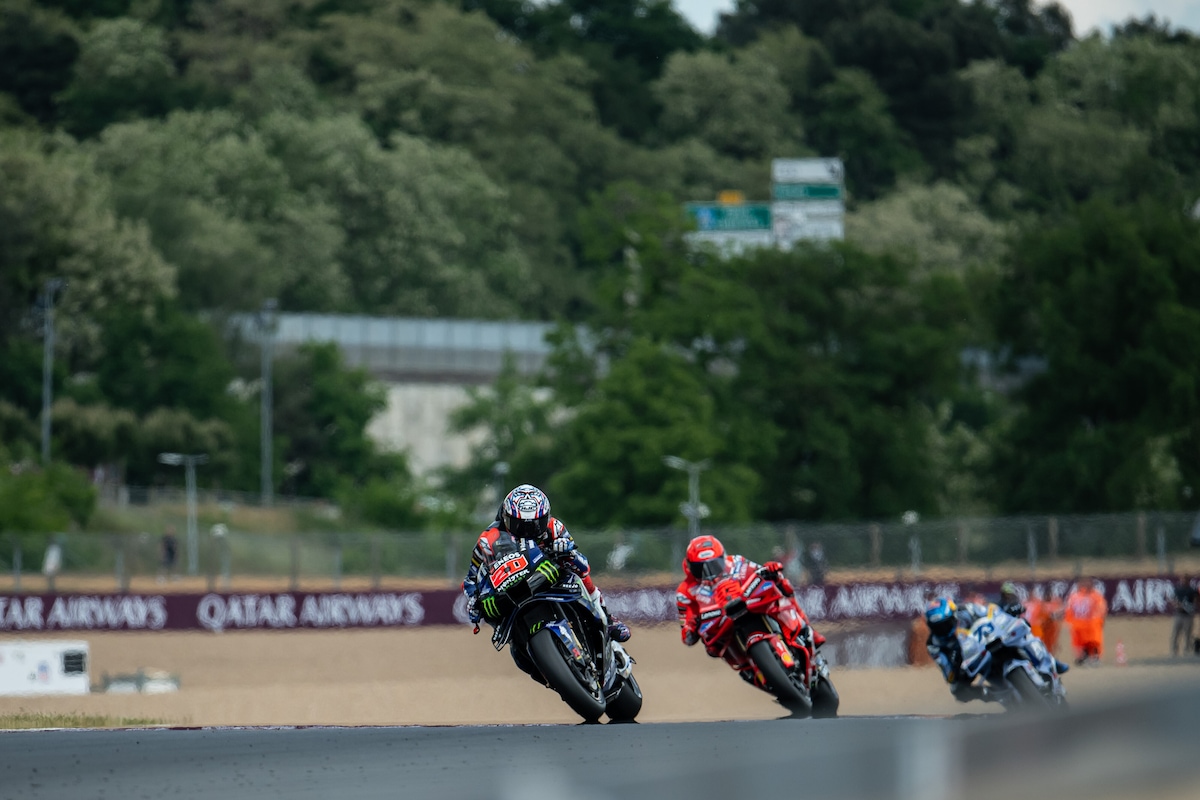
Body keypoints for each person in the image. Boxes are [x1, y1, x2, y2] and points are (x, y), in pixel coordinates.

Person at [462, 484, 630, 645]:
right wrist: (473, 598)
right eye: (520, 525)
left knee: (580, 569)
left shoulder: (555, 527)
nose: (527, 531)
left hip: (549, 572)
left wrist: (565, 548)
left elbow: (582, 562)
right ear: (506, 518)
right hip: (512, 588)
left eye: (536, 524)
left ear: (546, 517)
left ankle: (607, 617)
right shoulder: (487, 540)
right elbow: (472, 577)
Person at [675, 535, 826, 684]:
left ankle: (807, 631)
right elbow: (686, 630)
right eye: (700, 568)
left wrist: (769, 570)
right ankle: (749, 669)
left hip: (748, 601)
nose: (709, 573)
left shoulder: (736, 562)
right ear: (689, 566)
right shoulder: (685, 591)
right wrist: (691, 627)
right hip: (721, 621)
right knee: (713, 648)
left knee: (782, 586)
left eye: (714, 565)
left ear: (723, 557)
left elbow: (757, 571)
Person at [924, 598, 1000, 704]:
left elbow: (991, 610)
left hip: (991, 640)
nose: (943, 630)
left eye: (946, 624)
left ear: (953, 616)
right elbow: (949, 675)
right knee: (958, 691)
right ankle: (994, 695)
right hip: (971, 661)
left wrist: (1007, 610)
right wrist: (956, 664)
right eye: (938, 628)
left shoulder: (967, 610)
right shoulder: (933, 644)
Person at [1064, 579, 1108, 665]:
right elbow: (1069, 610)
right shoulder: (1074, 596)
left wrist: (1099, 620)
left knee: (1093, 641)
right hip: (1080, 623)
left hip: (1090, 623)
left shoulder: (1095, 596)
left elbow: (1100, 609)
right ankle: (1084, 656)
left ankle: (1095, 657)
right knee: (1081, 642)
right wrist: (1069, 621)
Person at [1170, 576, 1197, 657]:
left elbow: (1195, 601)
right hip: (1179, 614)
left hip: (1188, 615)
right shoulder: (1177, 590)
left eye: (1185, 580)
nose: (1183, 581)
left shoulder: (1192, 591)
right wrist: (1177, 605)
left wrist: (1189, 607)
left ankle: (1186, 650)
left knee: (1187, 634)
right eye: (1182, 580)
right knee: (1175, 633)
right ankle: (1174, 651)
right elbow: (1173, 600)